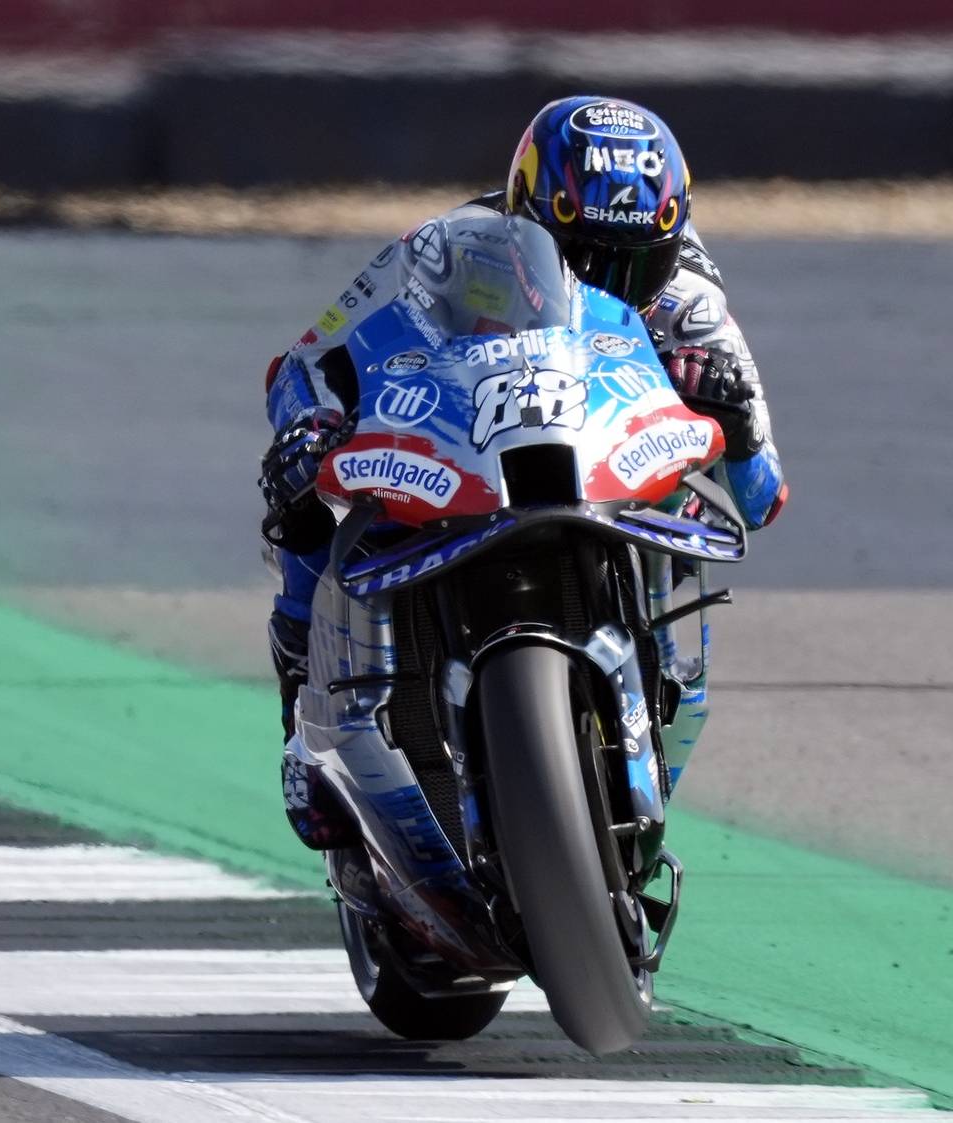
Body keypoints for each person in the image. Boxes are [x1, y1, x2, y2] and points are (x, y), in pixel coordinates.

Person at [258, 96, 787, 847]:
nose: (612, 284)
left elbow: (761, 495)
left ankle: (657, 688)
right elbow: (305, 361)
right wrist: (310, 425)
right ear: (529, 214)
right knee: (306, 492)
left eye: (638, 264)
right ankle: (300, 717)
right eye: (583, 258)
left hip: (609, 470)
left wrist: (728, 413)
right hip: (473, 452)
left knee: (694, 507)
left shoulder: (695, 300)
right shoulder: (443, 251)